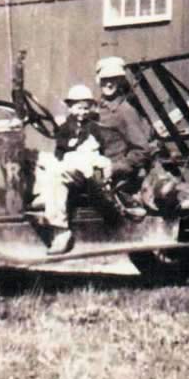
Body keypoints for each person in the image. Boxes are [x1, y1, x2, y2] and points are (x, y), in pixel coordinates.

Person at [31, 84, 110, 254]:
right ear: (70, 108)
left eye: (85, 108)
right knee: (40, 162)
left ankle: (60, 230)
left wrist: (83, 146)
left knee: (59, 173)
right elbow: (60, 147)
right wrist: (66, 148)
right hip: (69, 162)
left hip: (85, 168)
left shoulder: (93, 126)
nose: (82, 112)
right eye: (78, 108)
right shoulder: (67, 126)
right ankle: (43, 197)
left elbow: (100, 144)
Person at [94, 57, 153, 215]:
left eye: (114, 79)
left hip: (116, 177)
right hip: (95, 169)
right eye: (105, 79)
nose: (109, 84)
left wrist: (115, 168)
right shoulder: (95, 109)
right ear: (99, 81)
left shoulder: (125, 111)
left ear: (120, 82)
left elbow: (142, 150)